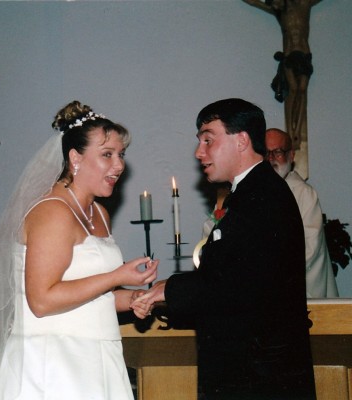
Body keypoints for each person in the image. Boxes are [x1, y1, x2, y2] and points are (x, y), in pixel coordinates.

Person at [0, 100, 158, 400]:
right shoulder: (53, 212)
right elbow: (43, 300)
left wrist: (134, 298)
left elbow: (87, 296)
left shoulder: (98, 213)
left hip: (97, 357)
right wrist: (116, 276)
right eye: (107, 155)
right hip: (53, 364)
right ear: (75, 158)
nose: (119, 165)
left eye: (121, 154)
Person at [134, 98, 316, 399]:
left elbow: (234, 287)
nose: (198, 152)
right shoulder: (253, 193)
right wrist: (167, 287)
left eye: (208, 139)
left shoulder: (261, 198)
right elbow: (233, 273)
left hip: (258, 380)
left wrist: (168, 291)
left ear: (241, 140)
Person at [265, 128, 338, 298]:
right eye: (266, 152)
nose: (271, 159)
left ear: (291, 156)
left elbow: (310, 248)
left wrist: (269, 275)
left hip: (299, 289)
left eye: (277, 152)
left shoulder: (303, 194)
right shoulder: (254, 193)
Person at [242, 0, 322, 151]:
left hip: (304, 54)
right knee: (292, 90)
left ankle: (297, 132)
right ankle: (292, 134)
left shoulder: (304, 4)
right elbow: (255, 3)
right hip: (289, 56)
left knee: (302, 91)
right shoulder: (279, 11)